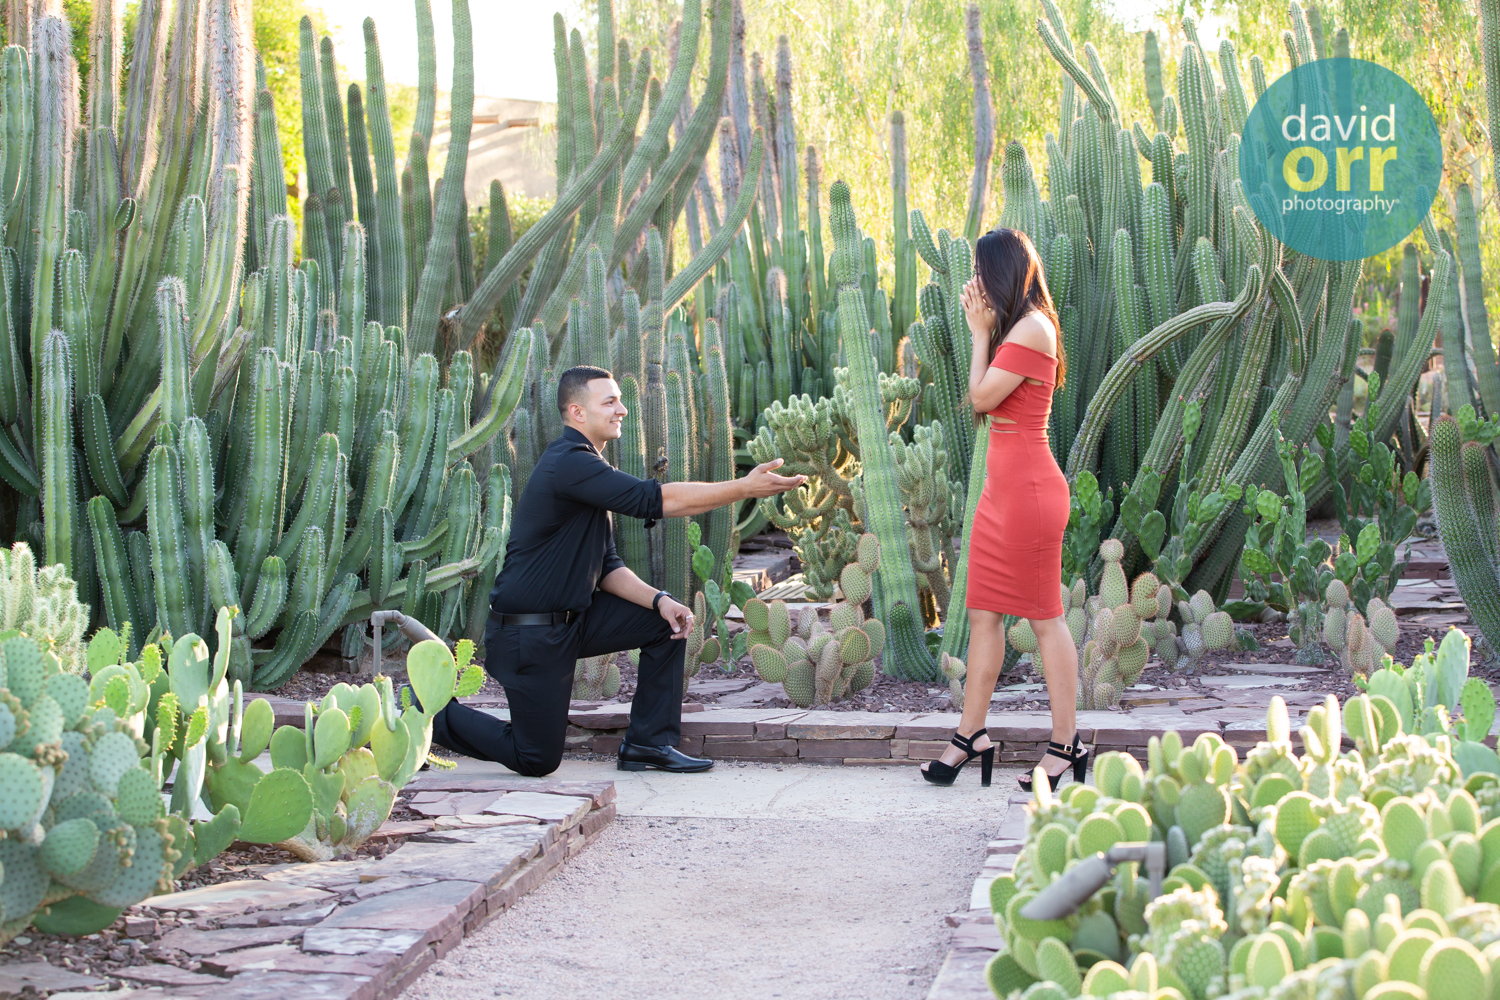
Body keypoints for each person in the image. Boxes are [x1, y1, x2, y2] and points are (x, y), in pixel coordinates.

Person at [427, 365, 806, 776]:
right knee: (535, 758)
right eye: (609, 401)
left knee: (665, 625)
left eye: (620, 401)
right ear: (577, 412)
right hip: (529, 634)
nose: (621, 409)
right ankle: (421, 711)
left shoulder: (586, 469)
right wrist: (743, 488)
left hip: (574, 622)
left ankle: (648, 745)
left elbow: (606, 567)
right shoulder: (568, 463)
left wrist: (659, 600)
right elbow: (657, 500)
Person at [920, 229, 1087, 792]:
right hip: (1001, 496)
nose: (976, 286)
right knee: (985, 616)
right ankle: (971, 736)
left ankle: (1067, 747)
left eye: (981, 274)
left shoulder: (1034, 328)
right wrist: (987, 334)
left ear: (1003, 274)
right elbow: (988, 403)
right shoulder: (1018, 329)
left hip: (1031, 497)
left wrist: (977, 334)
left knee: (1045, 619)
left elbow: (982, 398)